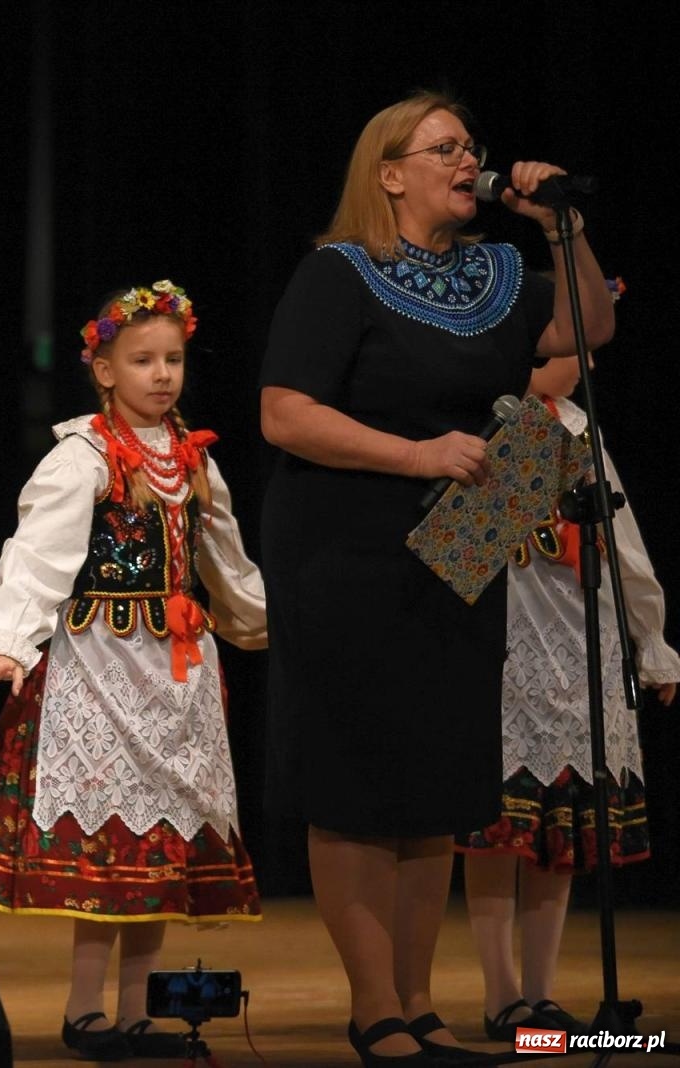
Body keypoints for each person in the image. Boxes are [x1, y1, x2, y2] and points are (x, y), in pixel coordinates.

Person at [258, 91, 616, 1066]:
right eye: (443, 148)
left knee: (434, 787)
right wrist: (414, 457)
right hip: (345, 555)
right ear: (389, 172)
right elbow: (284, 414)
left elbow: (588, 328)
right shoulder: (339, 273)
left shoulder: (499, 270)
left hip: (461, 554)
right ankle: (374, 1006)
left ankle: (420, 1007)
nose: (468, 161)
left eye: (473, 148)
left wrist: (561, 226)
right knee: (359, 785)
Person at [0, 282, 266, 1061]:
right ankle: (87, 1011)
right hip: (102, 668)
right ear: (103, 369)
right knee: (111, 839)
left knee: (159, 842)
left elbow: (226, 565)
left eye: (174, 360)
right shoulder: (82, 456)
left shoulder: (193, 460)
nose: (162, 375)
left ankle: (140, 1013)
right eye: (143, 360)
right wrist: (10, 642)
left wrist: (266, 625)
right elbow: (38, 558)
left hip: (177, 675)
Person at [461, 343, 679, 1041]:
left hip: (579, 642)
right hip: (505, 647)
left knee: (556, 830)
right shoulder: (490, 423)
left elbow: (625, 544)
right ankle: (501, 996)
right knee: (500, 834)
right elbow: (467, 547)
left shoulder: (580, 428)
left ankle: (541, 993)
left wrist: (651, 640)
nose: (580, 363)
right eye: (561, 350)